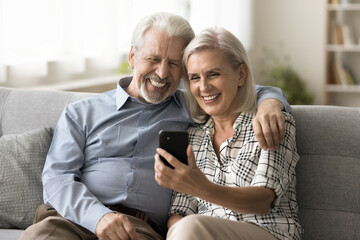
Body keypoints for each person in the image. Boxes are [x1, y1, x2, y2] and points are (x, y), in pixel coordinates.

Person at [20, 13, 291, 240]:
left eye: (174, 63)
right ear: (132, 56)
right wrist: (99, 217)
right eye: (153, 59)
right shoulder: (81, 113)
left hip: (138, 229)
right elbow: (56, 178)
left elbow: (242, 88)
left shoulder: (193, 106)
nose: (162, 73)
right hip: (72, 219)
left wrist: (270, 102)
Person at [154, 27, 303, 240]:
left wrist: (202, 188)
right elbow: (180, 210)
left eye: (213, 74)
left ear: (240, 74)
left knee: (191, 227)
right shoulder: (194, 137)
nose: (204, 87)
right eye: (195, 78)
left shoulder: (270, 122)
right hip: (201, 235)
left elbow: (263, 201)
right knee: (185, 226)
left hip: (269, 232)